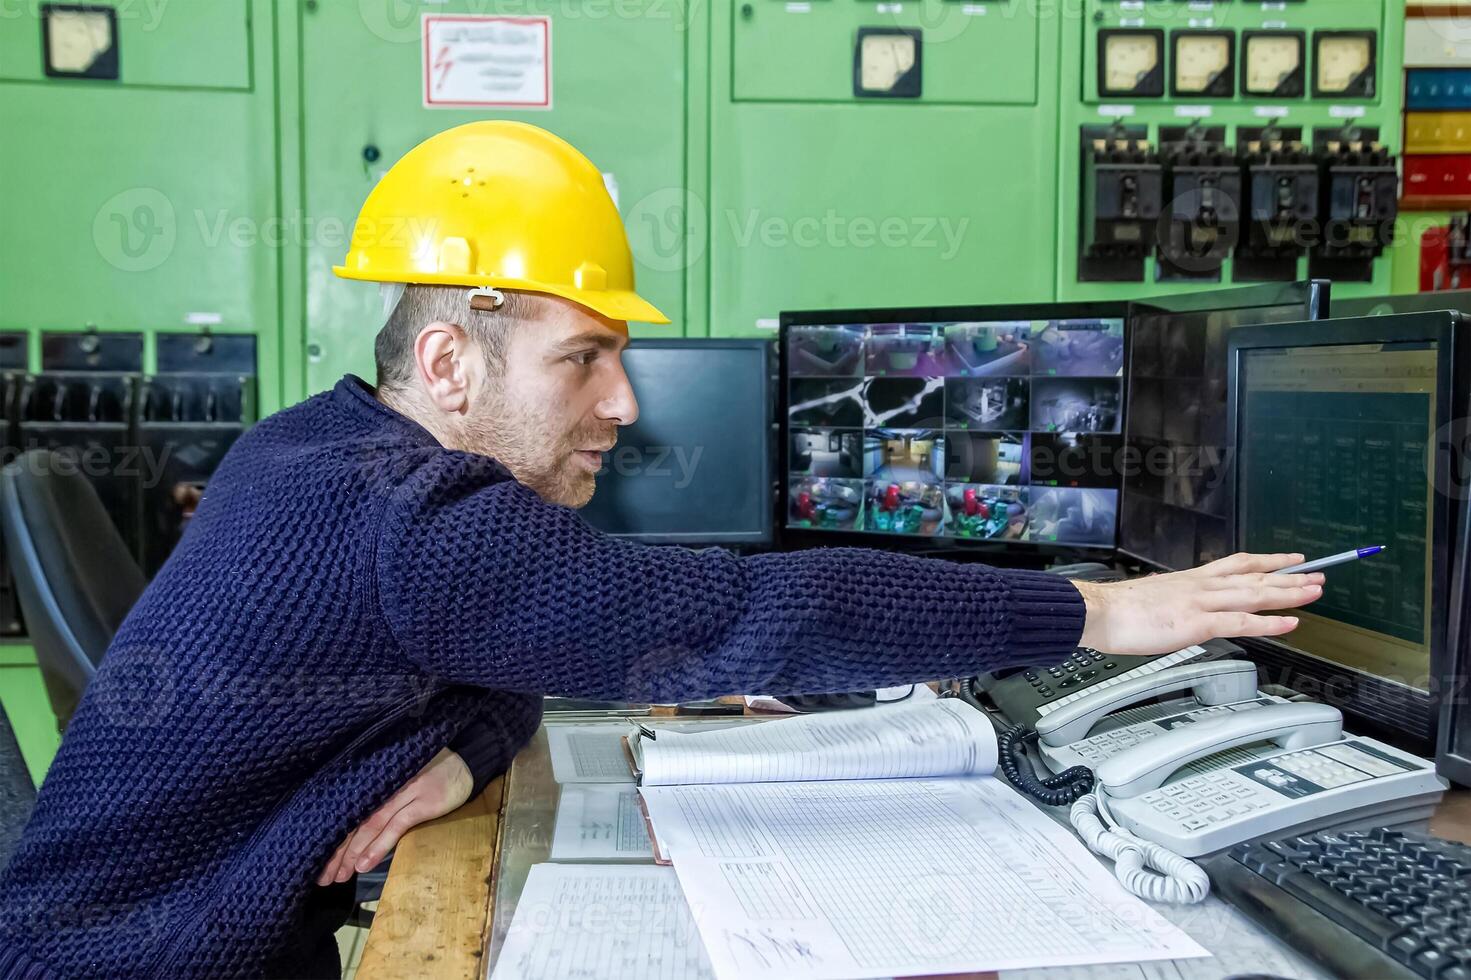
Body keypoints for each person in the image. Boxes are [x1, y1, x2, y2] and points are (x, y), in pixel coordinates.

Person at [0, 122, 1324, 979]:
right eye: (585, 359)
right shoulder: (415, 525)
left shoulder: (319, 450)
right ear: (452, 362)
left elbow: (507, 659)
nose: (622, 405)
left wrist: (460, 755)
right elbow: (753, 615)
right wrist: (1095, 616)